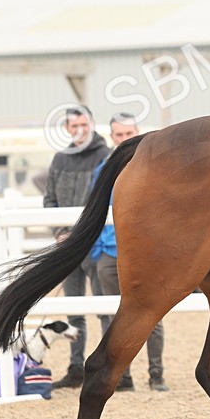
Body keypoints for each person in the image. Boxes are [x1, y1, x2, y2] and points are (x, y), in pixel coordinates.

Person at [88, 113, 167, 392]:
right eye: (119, 135)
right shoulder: (104, 170)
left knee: (152, 315)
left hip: (146, 254)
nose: (124, 139)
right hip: (110, 254)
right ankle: (121, 376)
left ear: (138, 131)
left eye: (128, 133)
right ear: (112, 137)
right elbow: (94, 212)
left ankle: (156, 374)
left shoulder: (157, 167)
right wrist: (99, 250)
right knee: (111, 317)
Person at [45, 106, 111, 388]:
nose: (79, 129)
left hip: (96, 244)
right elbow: (50, 199)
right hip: (67, 246)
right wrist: (60, 231)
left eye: (84, 124)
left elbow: (105, 199)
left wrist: (83, 232)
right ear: (68, 129)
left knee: (104, 309)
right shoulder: (60, 159)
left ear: (92, 124)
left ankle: (109, 367)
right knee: (74, 310)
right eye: (74, 126)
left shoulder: (105, 156)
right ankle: (76, 368)